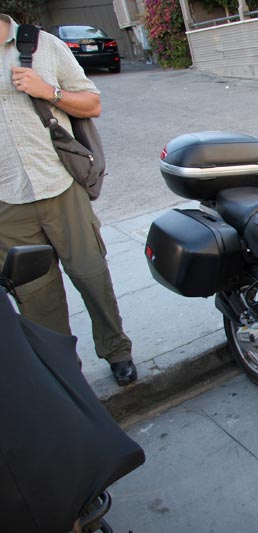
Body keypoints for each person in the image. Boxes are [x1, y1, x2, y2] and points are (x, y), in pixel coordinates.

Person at [0, 13, 137, 386]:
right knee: (34, 296)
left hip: (61, 185)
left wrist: (49, 92)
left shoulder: (43, 45)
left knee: (92, 275)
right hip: (7, 200)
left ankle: (117, 351)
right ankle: (63, 372)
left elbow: (92, 104)